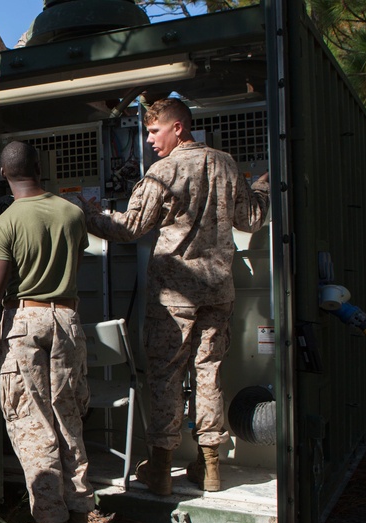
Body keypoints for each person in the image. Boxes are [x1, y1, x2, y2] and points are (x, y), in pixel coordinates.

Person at [80, 97, 270, 496]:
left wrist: (89, 214)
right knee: (209, 373)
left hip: (173, 295)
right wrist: (263, 188)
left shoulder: (162, 173)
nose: (149, 140)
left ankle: (162, 469)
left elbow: (130, 227)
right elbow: (251, 218)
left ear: (178, 128)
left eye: (154, 131)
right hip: (218, 290)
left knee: (166, 377)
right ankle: (212, 466)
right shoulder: (225, 164)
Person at [0, 140, 94, 523]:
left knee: (33, 428)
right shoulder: (72, 214)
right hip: (68, 320)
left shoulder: (5, 223)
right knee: (68, 421)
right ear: (41, 167)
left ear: (3, 173)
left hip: (25, 322)